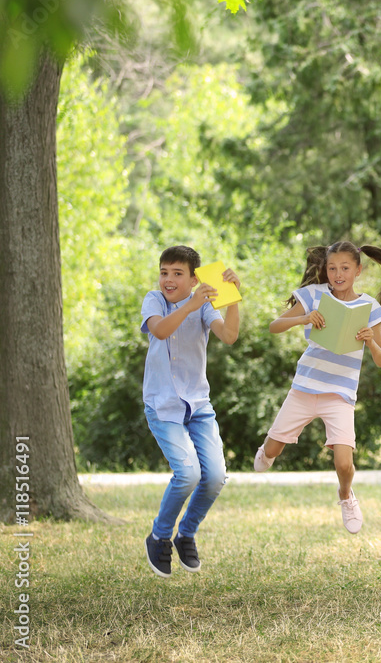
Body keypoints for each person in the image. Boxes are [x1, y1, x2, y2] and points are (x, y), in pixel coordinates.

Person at [254, 241, 381, 535]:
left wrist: (370, 341)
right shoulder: (314, 295)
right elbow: (275, 325)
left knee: (343, 462)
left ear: (358, 271)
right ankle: (267, 449)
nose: (338, 274)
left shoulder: (368, 308)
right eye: (332, 268)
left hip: (340, 394)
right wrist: (304, 317)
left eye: (345, 268)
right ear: (325, 270)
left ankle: (346, 495)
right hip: (304, 388)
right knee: (271, 451)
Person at [141, 245, 241, 578]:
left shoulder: (204, 305)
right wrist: (191, 304)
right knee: (188, 474)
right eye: (164, 272)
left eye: (177, 273)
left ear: (194, 277)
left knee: (214, 477)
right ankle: (159, 536)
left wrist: (233, 299)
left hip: (197, 405)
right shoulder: (154, 300)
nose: (168, 279)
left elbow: (228, 336)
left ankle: (186, 533)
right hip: (163, 404)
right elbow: (159, 330)